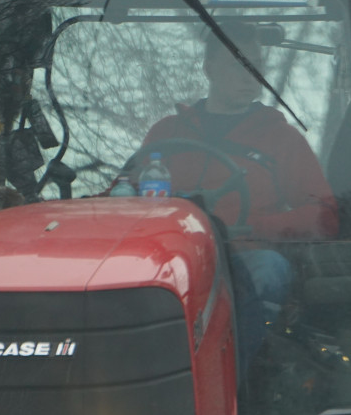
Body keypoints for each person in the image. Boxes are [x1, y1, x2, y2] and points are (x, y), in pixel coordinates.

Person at [131, 21, 339, 364]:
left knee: (269, 268)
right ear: (209, 68)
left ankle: (229, 375)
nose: (250, 75)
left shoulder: (281, 139)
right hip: (167, 262)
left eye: (257, 65)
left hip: (243, 259)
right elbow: (122, 194)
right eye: (238, 65)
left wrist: (251, 225)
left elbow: (324, 215)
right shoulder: (167, 133)